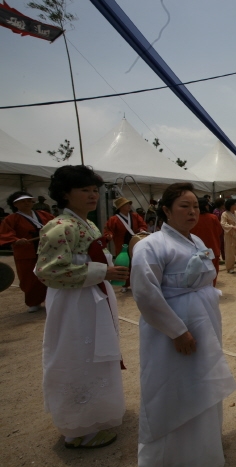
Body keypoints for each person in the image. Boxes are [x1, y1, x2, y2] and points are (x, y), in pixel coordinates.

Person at [131, 182, 236, 467]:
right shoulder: (150, 246)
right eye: (184, 206)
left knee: (202, 382)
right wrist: (177, 331)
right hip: (172, 330)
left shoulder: (197, 242)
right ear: (166, 210)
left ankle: (204, 449)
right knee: (173, 385)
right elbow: (145, 294)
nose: (192, 212)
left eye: (195, 207)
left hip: (204, 322)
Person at [35, 165, 128, 449]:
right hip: (73, 303)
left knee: (96, 354)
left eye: (94, 190)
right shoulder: (61, 227)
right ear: (65, 194)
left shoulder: (86, 224)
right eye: (84, 190)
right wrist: (102, 272)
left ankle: (96, 415)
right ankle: (78, 428)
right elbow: (47, 271)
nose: (91, 195)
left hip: (93, 299)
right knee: (76, 355)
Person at [0, 191, 54, 312]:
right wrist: (16, 240)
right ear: (15, 204)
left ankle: (52, 300)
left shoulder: (43, 214)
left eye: (29, 201)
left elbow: (56, 225)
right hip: (27, 252)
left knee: (51, 273)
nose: (27, 203)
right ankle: (33, 302)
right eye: (23, 201)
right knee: (30, 277)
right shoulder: (11, 218)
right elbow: (5, 234)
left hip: (46, 249)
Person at [103, 197, 149, 293]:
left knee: (137, 262)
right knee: (124, 264)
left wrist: (141, 229)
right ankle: (124, 284)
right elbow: (108, 230)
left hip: (135, 242)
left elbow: (143, 225)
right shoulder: (114, 219)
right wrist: (109, 235)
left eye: (129, 204)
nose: (129, 206)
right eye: (126, 204)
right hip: (122, 244)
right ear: (120, 207)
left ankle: (137, 283)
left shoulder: (135, 216)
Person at [190, 197, 224, 285]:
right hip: (212, 249)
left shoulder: (192, 219)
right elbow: (219, 231)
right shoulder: (213, 218)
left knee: (198, 274)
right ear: (206, 206)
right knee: (212, 273)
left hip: (196, 251)